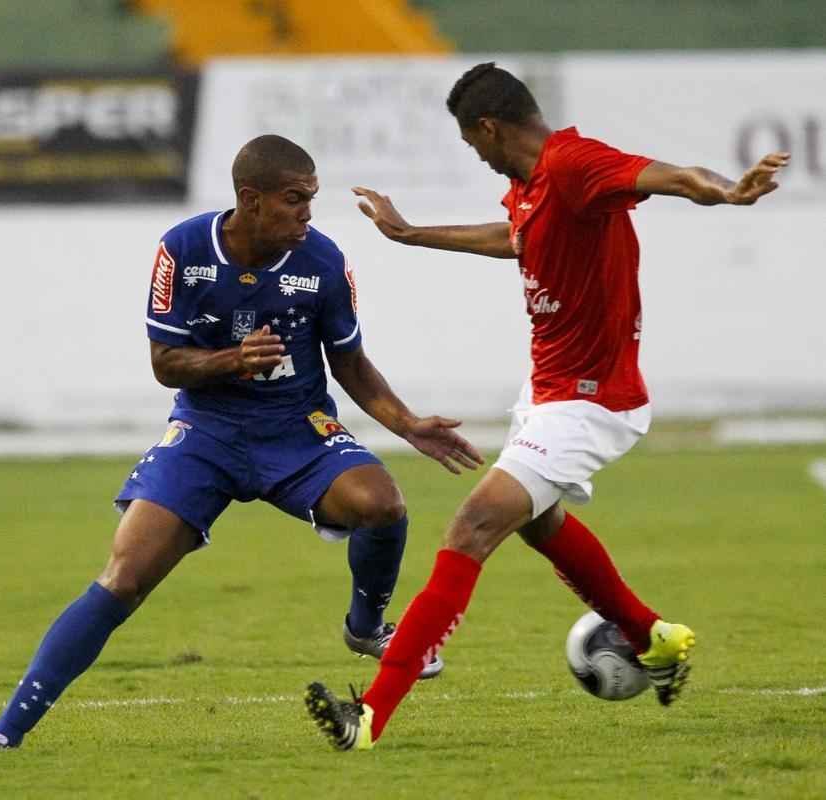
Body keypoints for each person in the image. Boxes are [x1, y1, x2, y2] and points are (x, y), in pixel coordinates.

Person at [304, 62, 790, 751]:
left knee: (472, 525)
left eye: (475, 146)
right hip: (546, 393)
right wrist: (413, 235)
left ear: (489, 127)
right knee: (539, 523)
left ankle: (370, 716)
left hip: (591, 401)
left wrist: (729, 193)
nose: (478, 159)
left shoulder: (573, 163)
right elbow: (514, 238)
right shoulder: (529, 188)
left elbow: (672, 177)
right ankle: (654, 639)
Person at [0, 134, 483, 753]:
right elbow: (165, 364)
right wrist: (232, 360)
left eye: (312, 199)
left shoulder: (322, 261)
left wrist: (406, 423)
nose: (307, 213)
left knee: (383, 504)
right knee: (123, 577)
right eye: (295, 199)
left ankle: (367, 627)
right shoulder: (183, 250)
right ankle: (5, 734)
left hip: (298, 431)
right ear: (251, 199)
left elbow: (349, 360)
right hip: (205, 434)